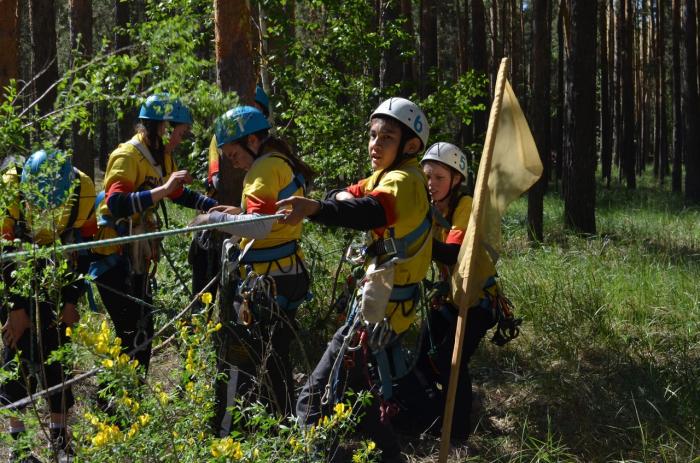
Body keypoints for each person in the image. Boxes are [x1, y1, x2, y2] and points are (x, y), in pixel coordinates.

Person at [278, 97, 432, 463]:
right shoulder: (385, 176)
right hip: (381, 308)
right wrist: (334, 200)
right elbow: (343, 195)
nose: (375, 144)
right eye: (373, 135)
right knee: (357, 398)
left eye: (387, 138)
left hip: (379, 314)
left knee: (312, 400)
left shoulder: (404, 181)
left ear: (410, 146)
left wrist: (315, 208)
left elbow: (368, 210)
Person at [191, 105, 313, 436]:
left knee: (237, 355)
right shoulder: (279, 164)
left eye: (233, 154)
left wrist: (214, 219)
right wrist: (236, 212)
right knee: (275, 357)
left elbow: (258, 227)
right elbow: (267, 216)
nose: (233, 162)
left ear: (254, 140)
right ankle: (284, 427)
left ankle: (224, 433)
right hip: (286, 274)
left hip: (268, 280)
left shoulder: (264, 168)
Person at [91, 93, 217, 375]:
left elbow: (177, 193)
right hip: (114, 257)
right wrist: (161, 190)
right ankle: (114, 405)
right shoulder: (127, 155)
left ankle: (129, 402)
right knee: (132, 330)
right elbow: (116, 202)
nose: (180, 140)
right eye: (180, 134)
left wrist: (213, 206)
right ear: (164, 128)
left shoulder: (162, 157)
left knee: (142, 328)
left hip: (138, 256)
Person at [393, 142, 499, 441]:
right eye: (427, 176)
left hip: (477, 301)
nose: (431, 184)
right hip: (450, 298)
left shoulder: (465, 206)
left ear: (456, 180)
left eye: (439, 177)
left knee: (449, 363)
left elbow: (452, 252)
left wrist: (415, 243)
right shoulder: (428, 208)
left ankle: (459, 432)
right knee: (423, 359)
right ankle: (436, 414)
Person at [1, 150, 97, 462]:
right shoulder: (10, 188)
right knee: (17, 350)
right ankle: (20, 447)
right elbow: (4, 249)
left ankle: (60, 439)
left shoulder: (83, 190)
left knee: (57, 348)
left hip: (58, 264)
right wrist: (15, 309)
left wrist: (71, 300)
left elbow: (84, 248)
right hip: (13, 264)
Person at [189, 85, 271, 309]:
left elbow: (262, 223)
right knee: (204, 289)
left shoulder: (266, 158)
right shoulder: (223, 139)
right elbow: (217, 180)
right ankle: (200, 331)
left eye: (258, 111)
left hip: (242, 229)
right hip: (221, 227)